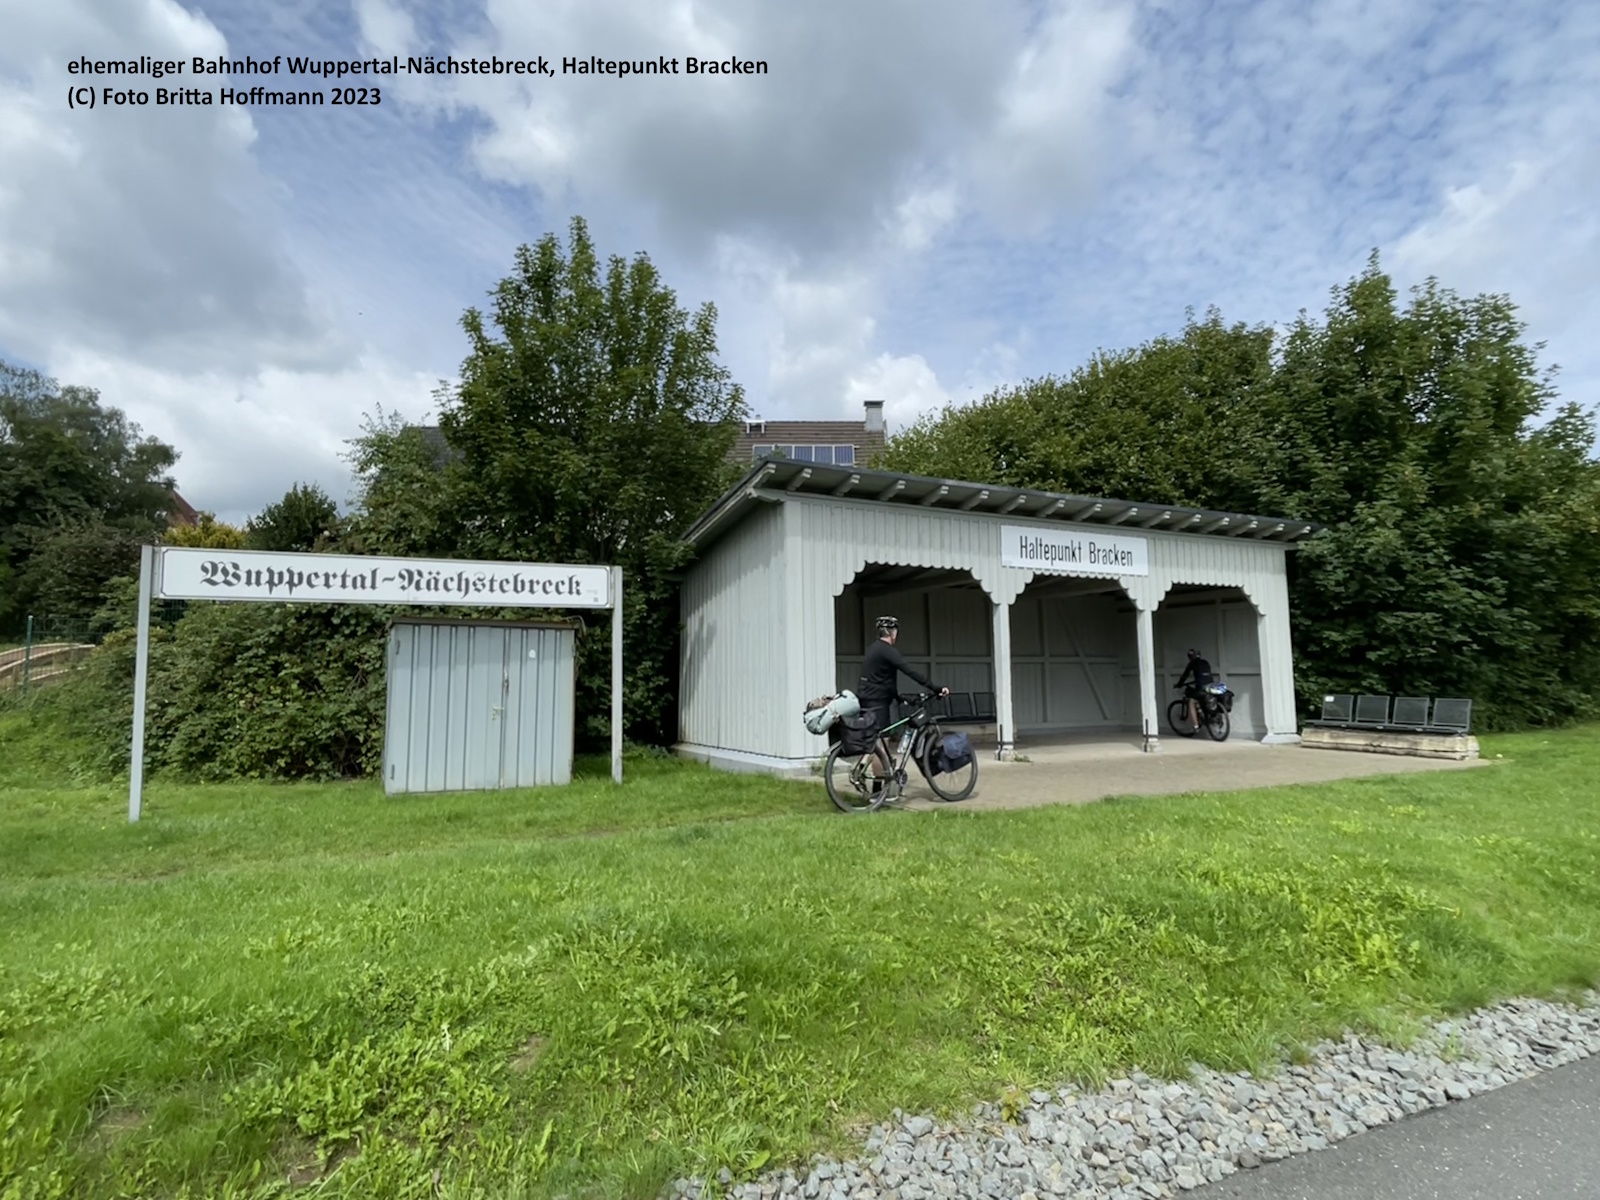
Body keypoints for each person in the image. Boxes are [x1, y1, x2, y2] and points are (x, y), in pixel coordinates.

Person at [857, 616, 950, 742]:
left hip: (866, 697)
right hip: (877, 702)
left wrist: (898, 697)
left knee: (873, 738)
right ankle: (879, 762)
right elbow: (910, 671)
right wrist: (936, 688)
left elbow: (883, 678)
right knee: (881, 740)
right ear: (893, 633)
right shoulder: (888, 651)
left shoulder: (873, 649)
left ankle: (870, 762)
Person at [1175, 648, 1214, 727]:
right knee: (1201, 697)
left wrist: (1179, 684)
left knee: (1191, 701)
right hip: (1210, 686)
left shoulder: (1192, 663)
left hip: (1202, 688)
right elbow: (1204, 676)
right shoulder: (1205, 662)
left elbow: (1184, 676)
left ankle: (1196, 726)